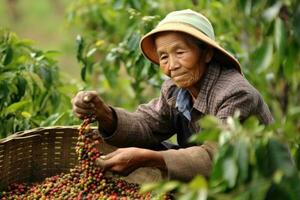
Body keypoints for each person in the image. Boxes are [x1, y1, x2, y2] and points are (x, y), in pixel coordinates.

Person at [72, 9, 273, 182]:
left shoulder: (235, 94)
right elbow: (147, 125)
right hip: (207, 184)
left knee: (157, 155)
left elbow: (218, 157)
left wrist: (147, 158)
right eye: (164, 57)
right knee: (154, 148)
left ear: (207, 54)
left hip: (255, 186)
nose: (172, 66)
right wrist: (104, 114)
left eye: (180, 52)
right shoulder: (175, 90)